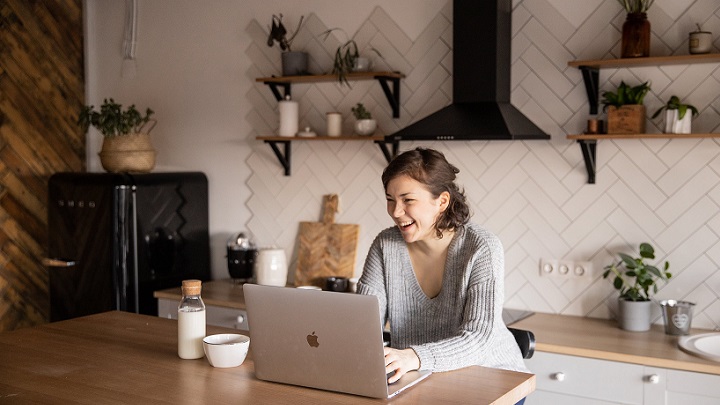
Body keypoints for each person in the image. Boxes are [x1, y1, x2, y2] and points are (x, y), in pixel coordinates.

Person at [356, 147, 530, 392]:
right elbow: (363, 326)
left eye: (408, 200)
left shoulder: (481, 248)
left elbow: (478, 340)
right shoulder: (385, 245)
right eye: (390, 199)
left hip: (493, 381)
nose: (395, 212)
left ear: (442, 201)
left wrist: (413, 357)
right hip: (419, 380)